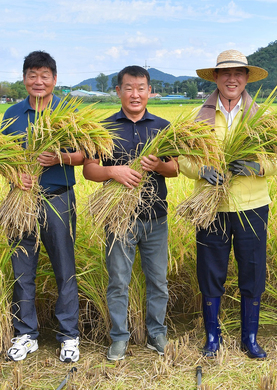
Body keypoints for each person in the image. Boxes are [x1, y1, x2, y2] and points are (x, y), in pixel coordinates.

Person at [179, 49, 277, 359]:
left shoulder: (263, 116)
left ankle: (249, 338)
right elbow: (182, 158)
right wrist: (201, 171)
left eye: (238, 72)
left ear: (247, 77)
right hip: (212, 208)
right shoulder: (198, 117)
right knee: (210, 272)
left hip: (252, 207)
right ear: (216, 77)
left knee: (252, 272)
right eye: (226, 73)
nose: (232, 78)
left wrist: (258, 167)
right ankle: (213, 337)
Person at [82, 65, 178, 361]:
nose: (135, 94)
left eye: (141, 88)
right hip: (118, 219)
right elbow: (89, 169)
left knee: (158, 280)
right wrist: (113, 171)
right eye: (128, 88)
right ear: (118, 92)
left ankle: (156, 333)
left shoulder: (163, 126)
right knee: (118, 281)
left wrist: (157, 166)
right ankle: (119, 337)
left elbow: (174, 168)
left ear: (150, 91)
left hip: (155, 218)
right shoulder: (103, 128)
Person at [2, 51, 83, 363]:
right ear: (24, 79)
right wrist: (13, 173)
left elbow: (85, 155)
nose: (38, 81)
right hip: (20, 200)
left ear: (54, 79)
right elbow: (1, 158)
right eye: (32, 75)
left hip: (58, 196)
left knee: (65, 268)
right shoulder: (12, 113)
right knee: (22, 268)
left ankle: (69, 335)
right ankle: (25, 334)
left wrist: (58, 157)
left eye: (44, 75)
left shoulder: (68, 112)